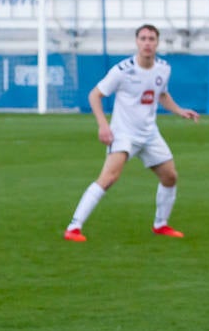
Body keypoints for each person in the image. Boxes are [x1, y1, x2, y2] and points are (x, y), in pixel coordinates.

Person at [64, 23, 200, 242]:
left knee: (170, 176)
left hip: (149, 134)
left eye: (151, 39)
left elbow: (162, 94)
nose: (147, 43)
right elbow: (94, 95)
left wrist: (179, 110)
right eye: (143, 38)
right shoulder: (123, 70)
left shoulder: (163, 68)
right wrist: (103, 125)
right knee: (108, 178)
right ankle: (74, 227)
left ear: (157, 42)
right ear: (137, 42)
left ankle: (160, 224)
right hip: (124, 134)